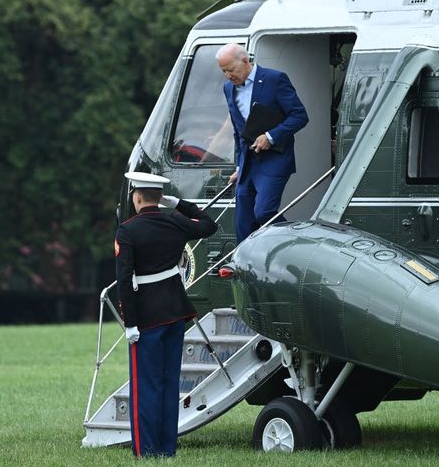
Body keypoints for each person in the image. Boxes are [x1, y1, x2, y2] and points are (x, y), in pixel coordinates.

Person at [115, 172, 218, 458]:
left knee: (145, 386)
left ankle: (147, 452)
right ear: (160, 197)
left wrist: (130, 323)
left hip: (147, 319)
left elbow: (125, 280)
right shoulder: (174, 221)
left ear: (136, 196)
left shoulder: (128, 230)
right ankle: (166, 449)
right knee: (168, 383)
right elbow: (210, 225)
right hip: (175, 313)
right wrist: (182, 204)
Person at [216, 43, 309, 243]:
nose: (227, 76)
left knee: (265, 213)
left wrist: (271, 136)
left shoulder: (274, 79)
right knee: (242, 223)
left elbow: (300, 116)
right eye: (223, 71)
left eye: (230, 70)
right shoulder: (228, 88)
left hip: (274, 161)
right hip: (247, 164)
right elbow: (238, 131)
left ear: (245, 61)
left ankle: (297, 243)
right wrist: (239, 165)